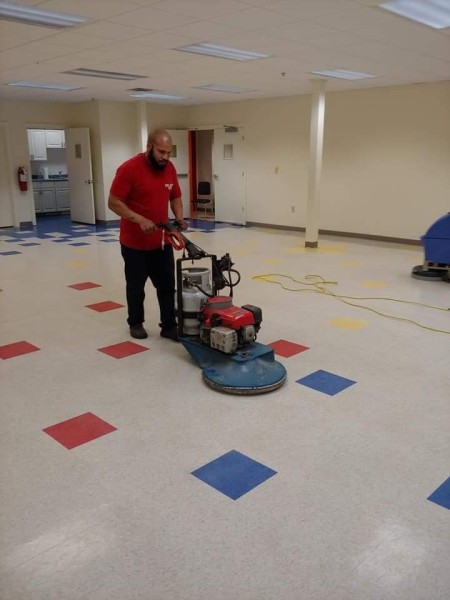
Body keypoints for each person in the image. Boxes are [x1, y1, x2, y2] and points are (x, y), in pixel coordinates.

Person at [108, 129, 187, 341]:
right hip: (134, 243)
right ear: (150, 146)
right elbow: (114, 202)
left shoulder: (169, 168)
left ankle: (169, 325)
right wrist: (140, 219)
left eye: (169, 152)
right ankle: (135, 323)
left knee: (167, 287)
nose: (165, 157)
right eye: (161, 152)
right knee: (136, 287)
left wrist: (179, 217)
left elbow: (176, 197)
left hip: (161, 242)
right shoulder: (129, 169)